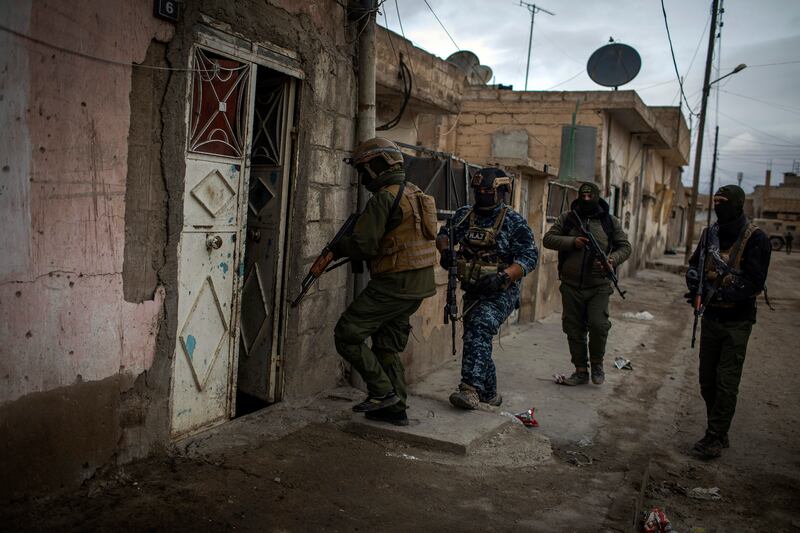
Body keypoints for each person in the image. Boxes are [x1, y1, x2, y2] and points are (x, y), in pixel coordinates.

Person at [313, 137, 437, 426]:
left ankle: (381, 392)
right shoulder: (414, 192)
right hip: (419, 284)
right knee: (385, 345)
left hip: (394, 284)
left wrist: (339, 246)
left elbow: (364, 246)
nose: (363, 176)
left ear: (377, 166)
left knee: (347, 334)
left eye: (363, 169)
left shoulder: (383, 198)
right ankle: (396, 408)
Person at [436, 167, 538, 409]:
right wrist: (446, 251)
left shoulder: (514, 221)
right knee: (476, 338)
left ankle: (469, 389)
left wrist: (504, 276)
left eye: (487, 191)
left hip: (501, 292)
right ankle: (490, 394)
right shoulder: (464, 215)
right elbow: (444, 235)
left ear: (501, 192)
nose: (482, 195)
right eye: (478, 191)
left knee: (479, 327)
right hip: (472, 289)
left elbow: (529, 257)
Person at [685, 184, 771, 459]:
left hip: (737, 320)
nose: (717, 205)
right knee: (707, 381)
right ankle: (719, 429)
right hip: (711, 317)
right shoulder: (710, 234)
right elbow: (695, 264)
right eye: (715, 201)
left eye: (723, 201)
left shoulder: (756, 238)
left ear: (737, 204)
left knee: (726, 381)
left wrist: (723, 292)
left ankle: (715, 436)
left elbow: (755, 281)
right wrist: (695, 284)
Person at [542, 181, 631, 386]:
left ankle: (597, 364)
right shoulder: (568, 218)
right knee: (573, 329)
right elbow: (548, 239)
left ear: (597, 197)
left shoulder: (609, 222)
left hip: (599, 286)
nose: (587, 200)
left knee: (599, 325)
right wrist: (572, 242)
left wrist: (612, 260)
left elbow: (625, 247)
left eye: (590, 197)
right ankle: (580, 370)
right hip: (571, 285)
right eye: (583, 196)